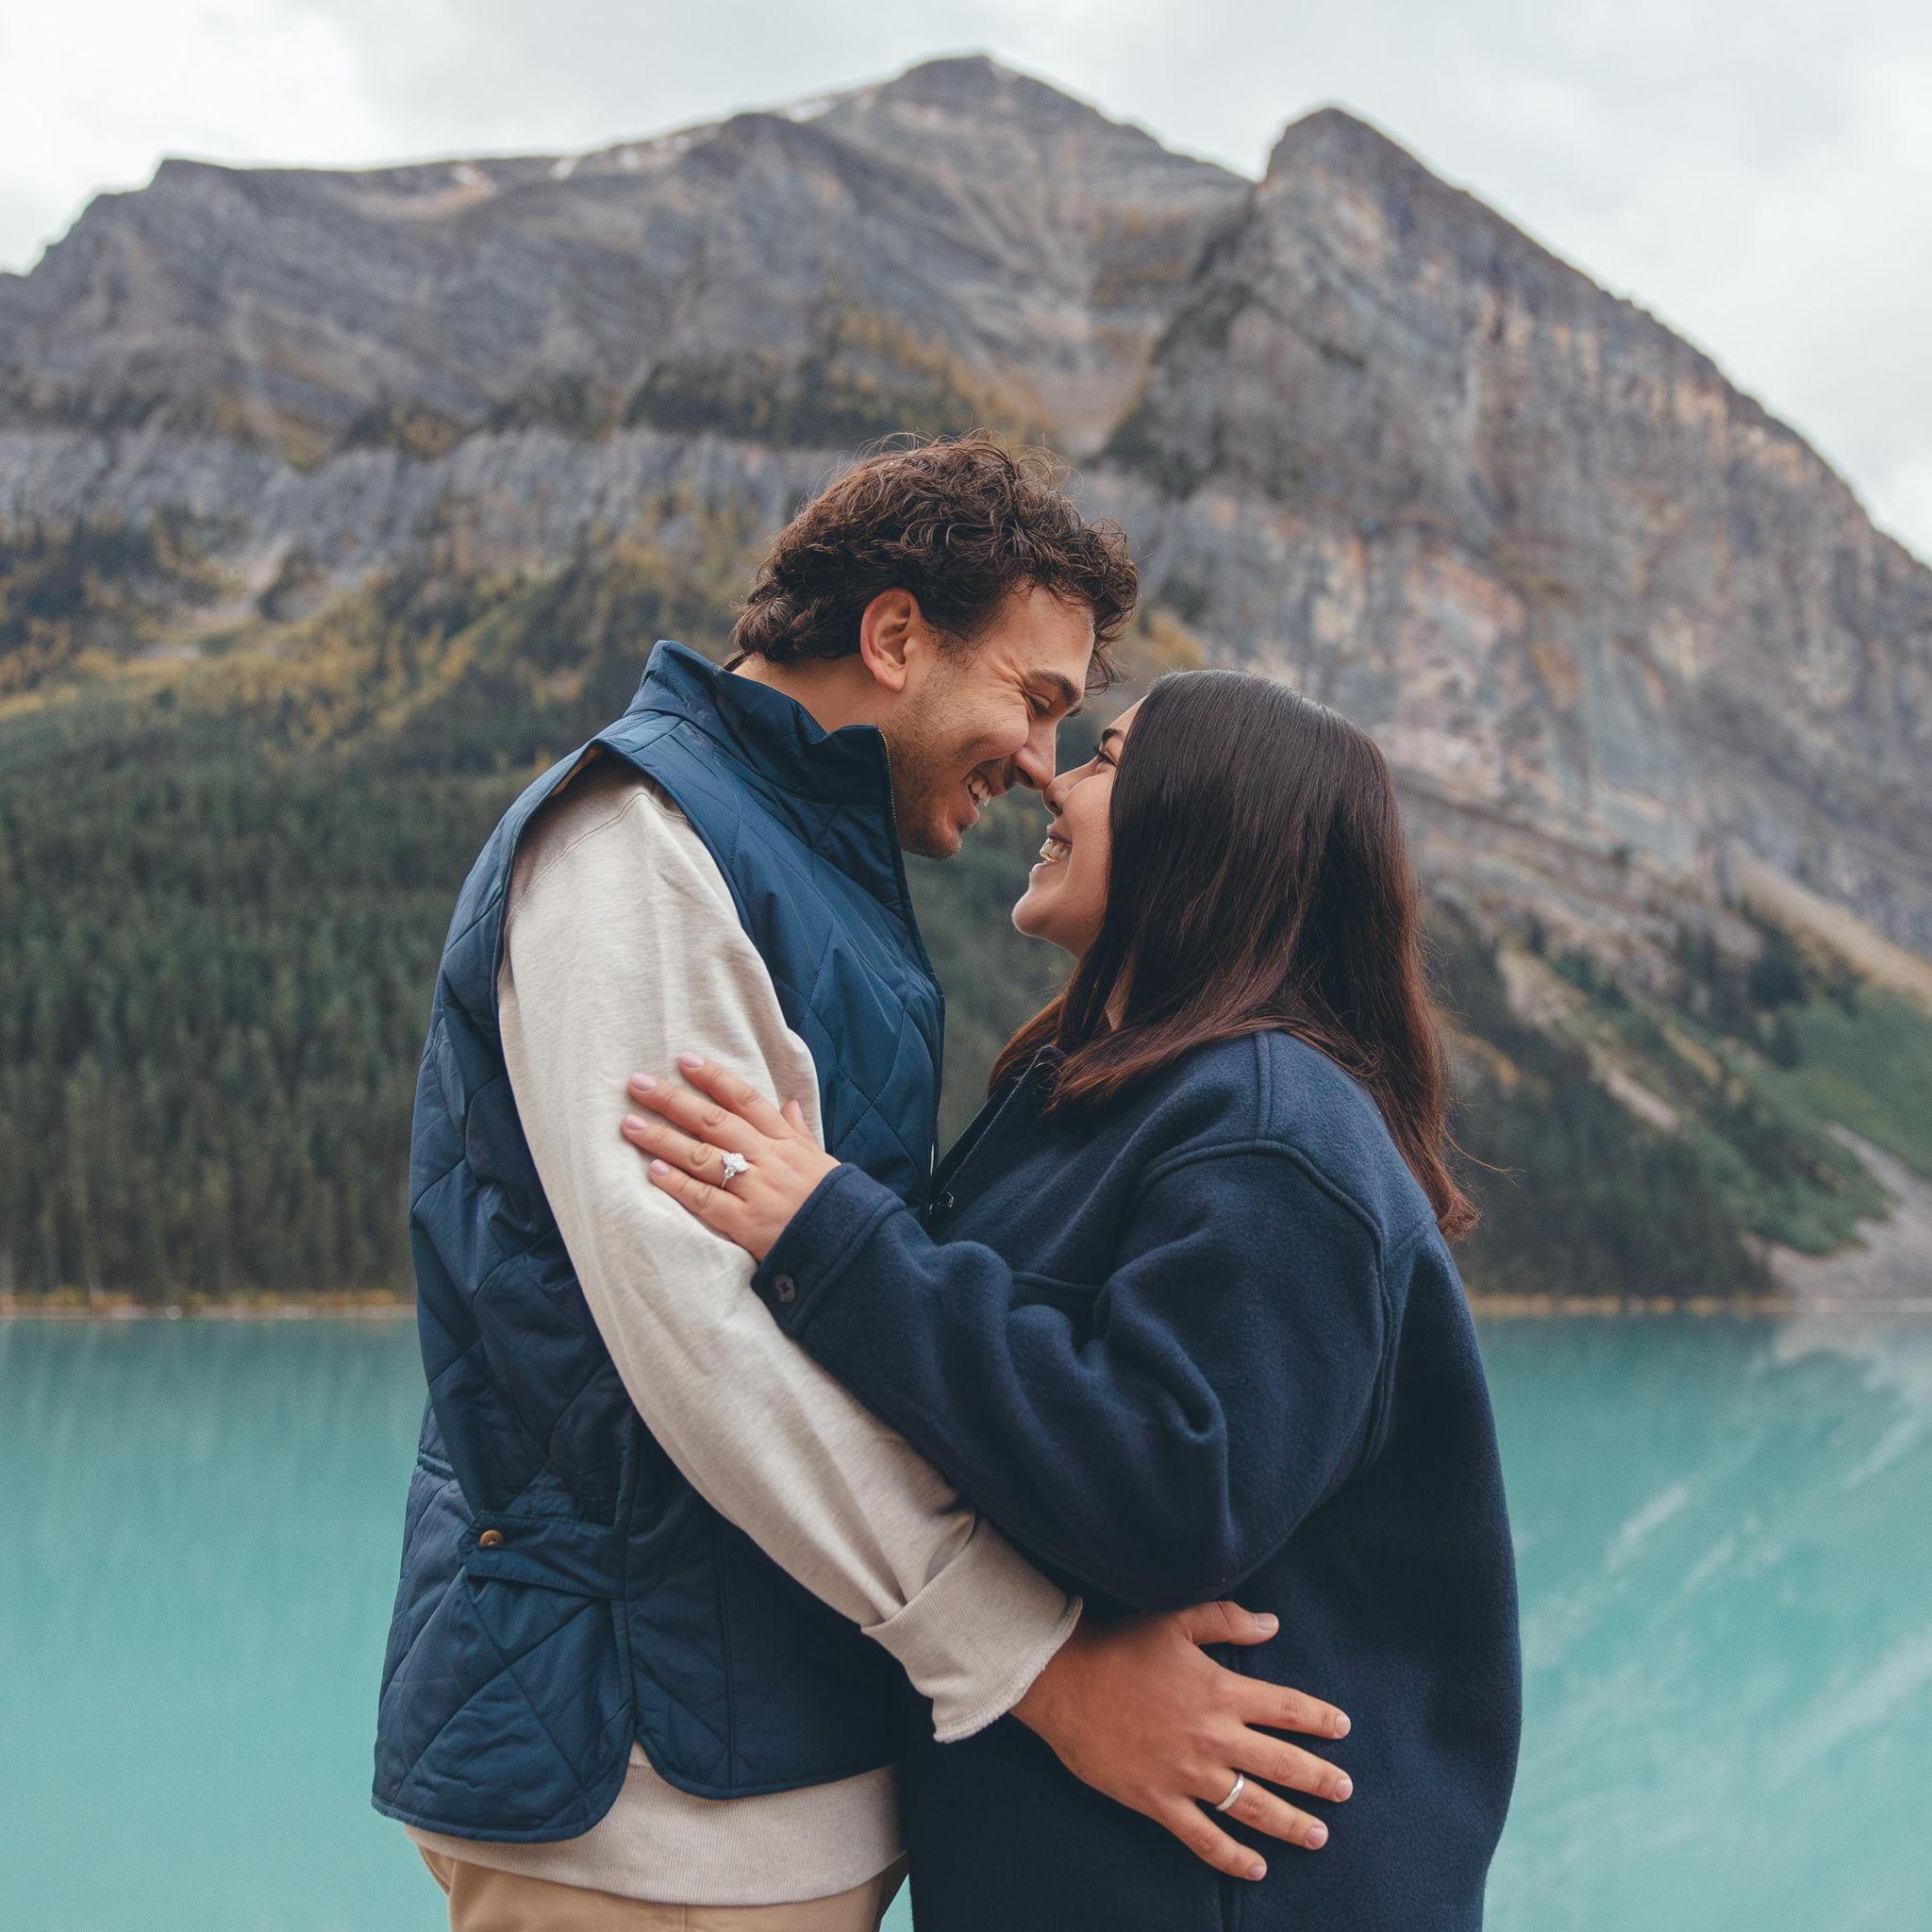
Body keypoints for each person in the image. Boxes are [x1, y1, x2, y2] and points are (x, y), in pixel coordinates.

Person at [375, 440, 1354, 1931]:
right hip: (648, 1795)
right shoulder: (642, 841)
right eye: (1033, 702)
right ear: (894, 638)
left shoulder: (802, 863)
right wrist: (1035, 1666)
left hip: (772, 1759)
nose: (1039, 758)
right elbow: (700, 1337)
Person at [624, 667, 1524, 1930]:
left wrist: (834, 1239)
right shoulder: (1088, 1088)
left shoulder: (1270, 1129)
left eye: (1105, 760)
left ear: (1208, 828)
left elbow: (1173, 1489)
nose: (1052, 773)